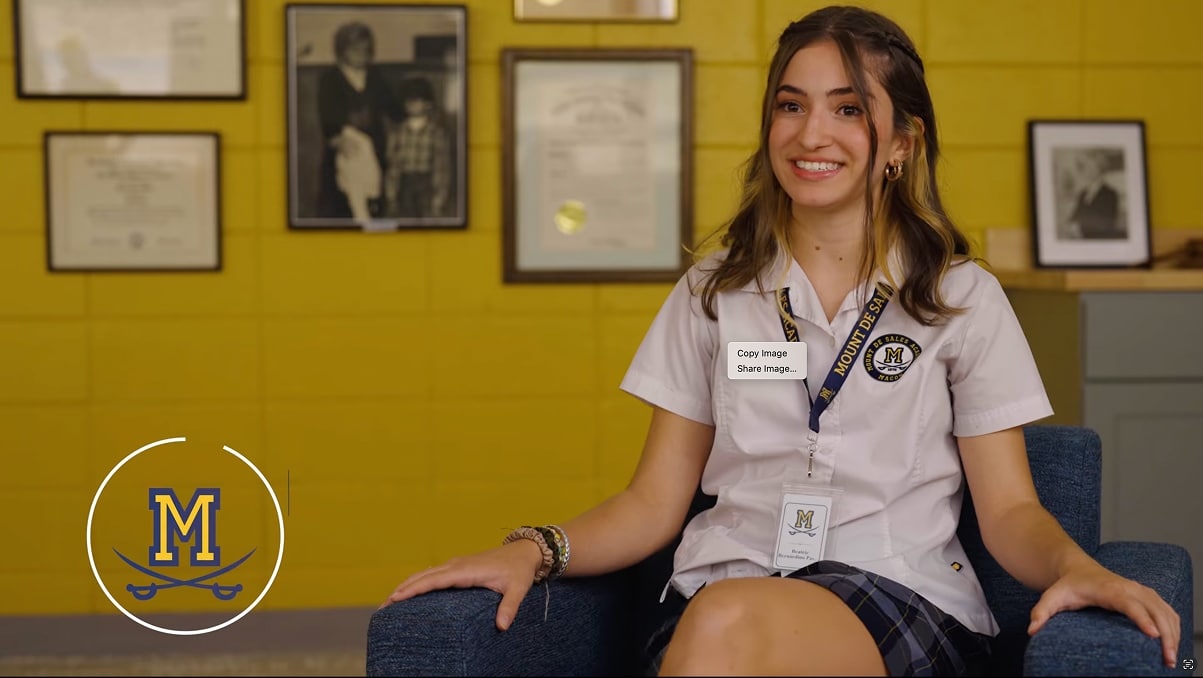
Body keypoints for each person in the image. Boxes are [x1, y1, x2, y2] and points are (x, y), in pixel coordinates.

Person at [381, 6, 1180, 676]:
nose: (810, 134)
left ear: (901, 142)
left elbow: (1008, 511)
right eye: (790, 106)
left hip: (891, 594)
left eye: (847, 108)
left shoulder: (959, 298)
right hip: (717, 593)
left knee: (730, 625)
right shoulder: (711, 292)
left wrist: (1077, 566)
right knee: (725, 618)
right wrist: (535, 547)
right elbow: (651, 504)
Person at [315, 21, 402, 220]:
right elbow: (327, 116)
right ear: (342, 51)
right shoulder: (330, 79)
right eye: (355, 49)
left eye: (366, 50)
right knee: (343, 201)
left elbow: (392, 106)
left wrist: (404, 120)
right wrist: (336, 138)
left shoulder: (375, 77)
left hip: (375, 145)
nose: (361, 54)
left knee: (375, 199)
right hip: (344, 147)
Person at [384, 75, 452, 219]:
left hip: (427, 184)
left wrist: (439, 197)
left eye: (417, 100)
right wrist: (391, 194)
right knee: (405, 222)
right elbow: (393, 165)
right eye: (408, 101)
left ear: (428, 104)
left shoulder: (436, 132)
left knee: (427, 222)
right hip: (404, 185)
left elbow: (441, 166)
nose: (412, 104)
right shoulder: (398, 132)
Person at [1066, 149, 1122, 239]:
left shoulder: (1111, 194)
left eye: (1091, 166)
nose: (1087, 170)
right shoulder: (1082, 193)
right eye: (1086, 167)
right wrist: (1072, 226)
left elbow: (1107, 224)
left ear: (1100, 169)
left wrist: (1080, 229)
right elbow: (1073, 217)